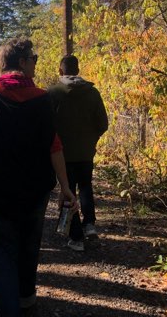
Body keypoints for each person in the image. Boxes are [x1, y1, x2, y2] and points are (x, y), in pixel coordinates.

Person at [0, 38, 77, 317]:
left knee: (3, 251)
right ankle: (27, 299)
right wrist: (65, 186)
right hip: (35, 190)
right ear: (21, 62)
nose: (36, 62)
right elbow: (54, 145)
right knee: (30, 244)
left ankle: (8, 310)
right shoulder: (42, 100)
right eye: (34, 58)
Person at [48, 55, 108, 252]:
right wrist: (91, 139)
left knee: (68, 191)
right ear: (78, 69)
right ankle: (89, 224)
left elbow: (46, 126)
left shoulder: (53, 93)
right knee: (85, 187)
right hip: (85, 152)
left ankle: (75, 238)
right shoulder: (92, 93)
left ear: (60, 70)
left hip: (61, 154)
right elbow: (103, 124)